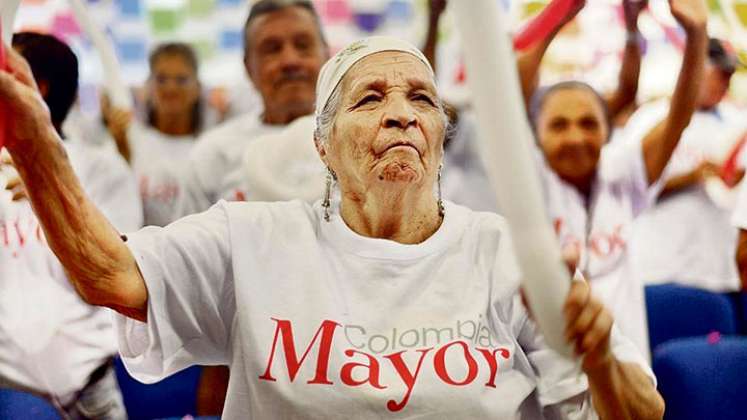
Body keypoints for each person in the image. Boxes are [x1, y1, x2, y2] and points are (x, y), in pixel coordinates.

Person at [0, 31, 665, 418]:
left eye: (421, 100)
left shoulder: (508, 256)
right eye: (370, 98)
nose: (401, 113)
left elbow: (643, 412)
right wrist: (35, 142)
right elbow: (108, 271)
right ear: (321, 145)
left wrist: (600, 360)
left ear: (439, 134)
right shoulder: (249, 237)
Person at [527, 0, 708, 359]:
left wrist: (697, 35)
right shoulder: (527, 185)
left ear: (608, 134)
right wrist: (561, 11)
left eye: (588, 123)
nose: (576, 137)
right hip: (548, 394)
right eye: (559, 125)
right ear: (535, 136)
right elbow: (511, 88)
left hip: (629, 389)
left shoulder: (621, 174)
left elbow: (678, 117)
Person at [0, 32, 142, 419]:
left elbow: (120, 285)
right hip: (8, 395)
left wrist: (50, 198)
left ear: (34, 87)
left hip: (91, 391)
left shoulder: (102, 169)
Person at [169, 0, 329, 220]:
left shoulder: (360, 141)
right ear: (248, 67)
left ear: (327, 55)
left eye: (303, 45)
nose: (290, 61)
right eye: (271, 49)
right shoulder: (212, 154)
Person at [628, 38, 745, 293]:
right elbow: (627, 188)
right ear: (693, 67)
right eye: (719, 73)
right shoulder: (651, 118)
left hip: (720, 274)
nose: (724, 82)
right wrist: (692, 176)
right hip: (659, 270)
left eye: (729, 75)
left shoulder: (737, 123)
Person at [102, 42, 203, 227]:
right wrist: (121, 151)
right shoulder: (128, 139)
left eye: (181, 80)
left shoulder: (210, 148)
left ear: (197, 88)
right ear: (148, 86)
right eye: (161, 79)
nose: (171, 89)